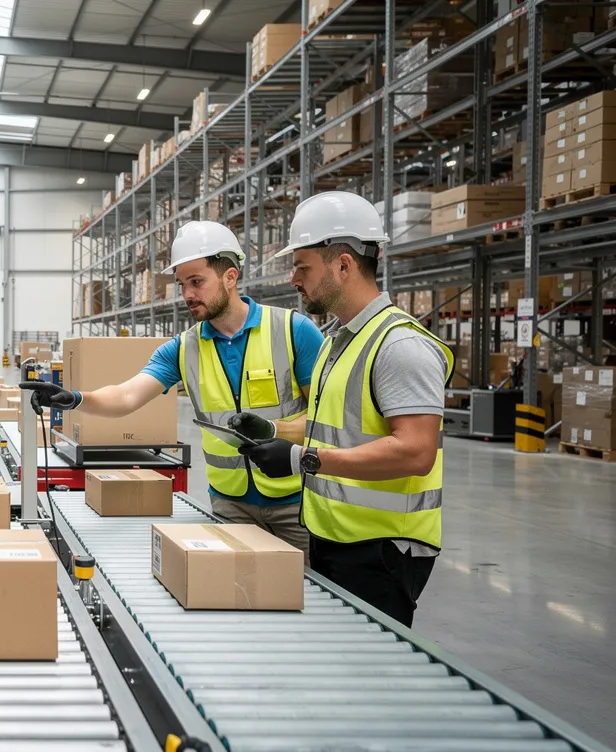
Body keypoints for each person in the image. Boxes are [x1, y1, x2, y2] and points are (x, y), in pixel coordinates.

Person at [24, 220, 324, 554]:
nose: (187, 295)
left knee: (307, 595)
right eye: (182, 284)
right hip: (229, 505)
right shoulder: (183, 348)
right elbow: (126, 396)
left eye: (196, 282)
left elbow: (326, 420)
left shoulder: (294, 332)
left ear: (230, 276)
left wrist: (274, 430)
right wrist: (75, 398)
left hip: (297, 503)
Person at [233, 191, 453, 627]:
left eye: (303, 267)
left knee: (370, 677)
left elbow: (415, 451)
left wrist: (303, 461)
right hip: (335, 539)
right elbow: (328, 427)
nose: (294, 279)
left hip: (382, 549)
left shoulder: (399, 345)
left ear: (344, 265)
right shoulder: (340, 340)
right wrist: (272, 430)